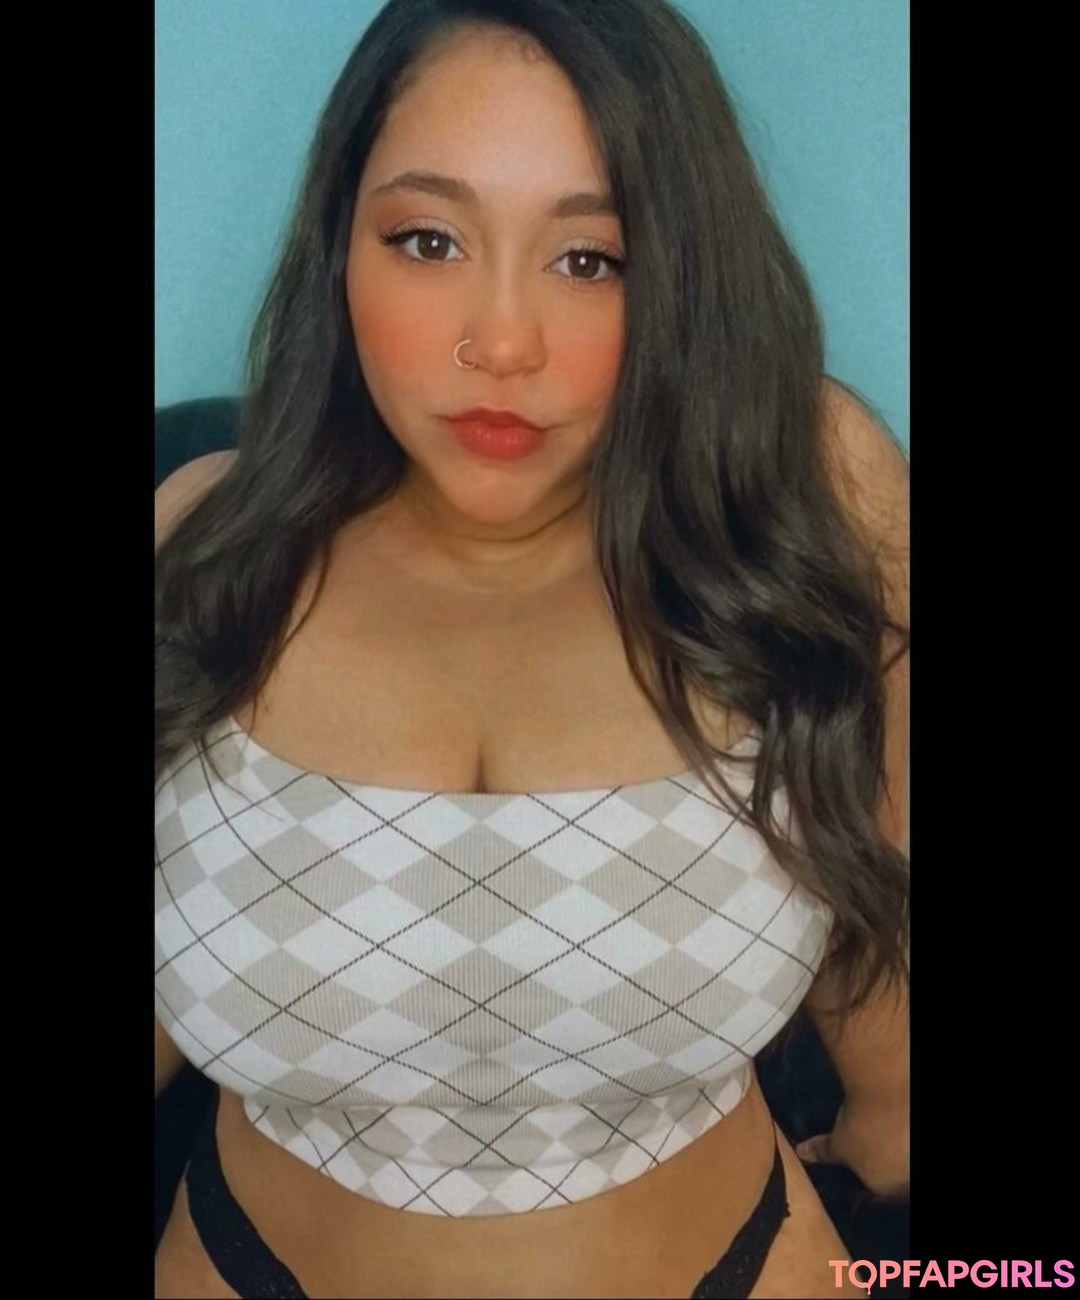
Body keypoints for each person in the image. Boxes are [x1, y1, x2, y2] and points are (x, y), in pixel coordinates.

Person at [154, 1, 909, 1296]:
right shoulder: (198, 547)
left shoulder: (801, 501)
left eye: (591, 260)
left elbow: (873, 876)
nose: (501, 343)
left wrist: (900, 1156)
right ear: (340, 245)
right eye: (428, 240)